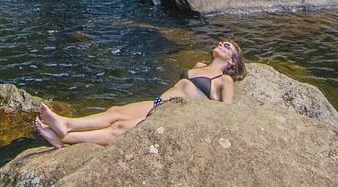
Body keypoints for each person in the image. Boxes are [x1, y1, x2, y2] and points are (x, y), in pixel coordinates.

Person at [34, 39, 246, 148]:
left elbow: (227, 114)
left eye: (226, 46)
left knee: (120, 128)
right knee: (115, 111)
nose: (221, 44)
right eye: (221, 42)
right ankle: (66, 123)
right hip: (159, 102)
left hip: (173, 114)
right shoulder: (199, 65)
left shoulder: (225, 80)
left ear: (232, 61)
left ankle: (65, 138)